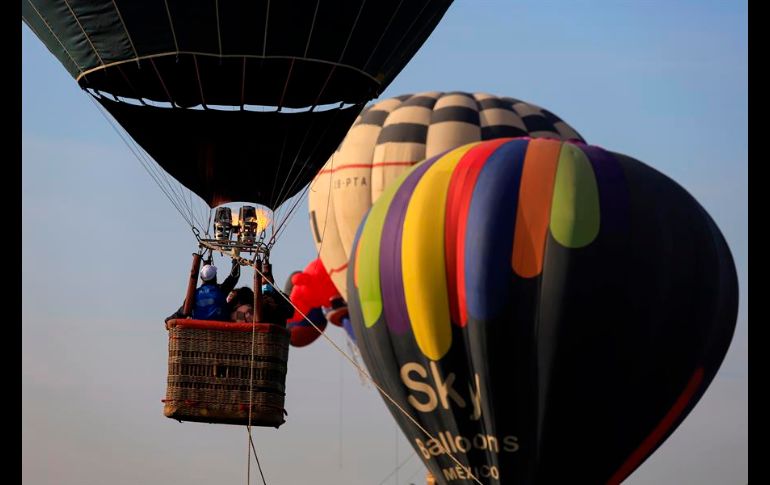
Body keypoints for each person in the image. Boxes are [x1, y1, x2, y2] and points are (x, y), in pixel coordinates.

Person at [165, 258, 241, 323]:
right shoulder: (221, 290)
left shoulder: (194, 294)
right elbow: (234, 277)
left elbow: (182, 311)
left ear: (201, 278)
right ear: (215, 276)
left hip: (198, 330)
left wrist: (168, 320)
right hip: (221, 330)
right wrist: (235, 260)